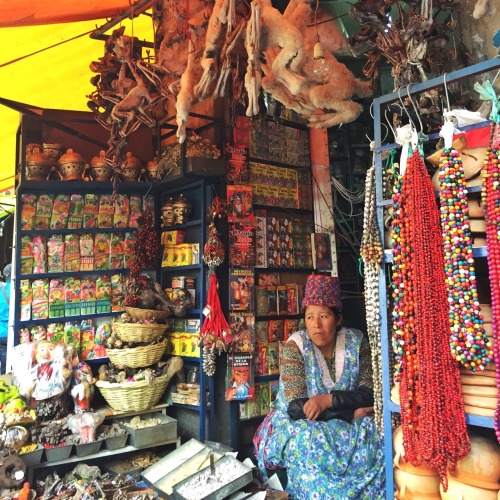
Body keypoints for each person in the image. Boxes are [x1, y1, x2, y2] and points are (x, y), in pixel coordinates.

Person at [254, 274, 385, 499]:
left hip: (347, 419)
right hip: (302, 423)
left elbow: (368, 392)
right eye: (310, 317)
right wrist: (348, 413)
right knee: (306, 439)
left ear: (338, 318)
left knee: (376, 432)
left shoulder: (357, 341)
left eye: (324, 316)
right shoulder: (296, 346)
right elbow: (296, 407)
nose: (316, 324)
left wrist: (328, 401)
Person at [0, 264, 12, 374]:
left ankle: (4, 379)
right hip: (14, 331)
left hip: (2, 332)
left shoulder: (1, 290)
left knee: (4, 359)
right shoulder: (18, 288)